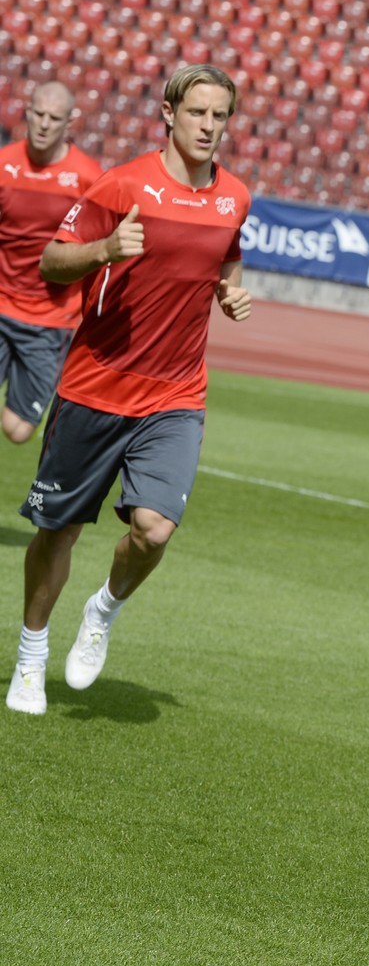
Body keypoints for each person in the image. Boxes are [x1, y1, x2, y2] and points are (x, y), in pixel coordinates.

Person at [5, 64, 252, 716]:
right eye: (197, 112)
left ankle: (103, 607)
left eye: (219, 115)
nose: (208, 126)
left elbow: (227, 252)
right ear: (168, 113)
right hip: (93, 389)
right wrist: (107, 247)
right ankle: (31, 655)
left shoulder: (235, 197)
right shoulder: (121, 184)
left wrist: (229, 289)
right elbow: (52, 261)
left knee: (155, 530)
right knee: (57, 533)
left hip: (175, 396)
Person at [0, 80, 104, 444]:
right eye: (38, 114)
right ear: (26, 113)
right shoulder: (3, 165)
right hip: (0, 301)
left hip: (49, 318)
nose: (44, 124)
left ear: (69, 122)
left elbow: (98, 248)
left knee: (17, 430)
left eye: (54, 118)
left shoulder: (89, 178)